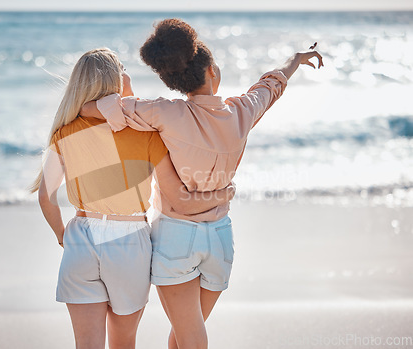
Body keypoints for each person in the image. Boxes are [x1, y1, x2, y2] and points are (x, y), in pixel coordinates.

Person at [80, 19, 324, 349]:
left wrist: (95, 102)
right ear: (211, 70)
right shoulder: (242, 110)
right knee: (183, 339)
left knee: (189, 338)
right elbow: (272, 83)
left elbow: (98, 109)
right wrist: (295, 60)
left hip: (177, 237)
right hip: (221, 238)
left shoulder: (164, 112)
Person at [30, 48, 234, 349]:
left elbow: (46, 198)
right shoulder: (145, 134)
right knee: (123, 341)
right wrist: (223, 193)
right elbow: (179, 199)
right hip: (128, 242)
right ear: (115, 81)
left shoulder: (64, 132)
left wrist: (64, 237)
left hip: (81, 237)